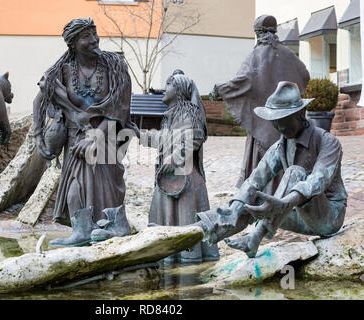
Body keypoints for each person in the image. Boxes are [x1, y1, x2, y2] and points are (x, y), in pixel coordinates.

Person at [193, 81, 347, 258]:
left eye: (284, 121)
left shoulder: (328, 142)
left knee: (294, 173)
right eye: (275, 122)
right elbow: (254, 180)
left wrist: (287, 201)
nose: (280, 128)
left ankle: (255, 238)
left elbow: (318, 180)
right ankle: (194, 233)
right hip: (296, 216)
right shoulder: (280, 146)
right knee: (253, 203)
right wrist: (235, 207)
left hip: (328, 219)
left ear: (300, 115)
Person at [33, 18, 139, 247]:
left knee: (109, 184)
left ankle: (114, 226)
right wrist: (38, 134)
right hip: (75, 137)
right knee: (74, 185)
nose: (94, 40)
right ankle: (82, 230)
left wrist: (96, 137)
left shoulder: (114, 65)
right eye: (86, 36)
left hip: (108, 135)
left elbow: (120, 106)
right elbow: (40, 98)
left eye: (94, 33)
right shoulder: (62, 70)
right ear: (72, 44)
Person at [212, 15, 310, 192]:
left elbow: (241, 81)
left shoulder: (256, 55)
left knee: (264, 156)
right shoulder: (287, 53)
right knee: (287, 151)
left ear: (258, 33)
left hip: (264, 121)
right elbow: (305, 75)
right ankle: (286, 190)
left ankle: (262, 192)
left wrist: (219, 89)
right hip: (288, 121)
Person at [142, 73, 219, 262]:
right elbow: (165, 140)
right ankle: (169, 256)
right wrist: (141, 135)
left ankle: (188, 260)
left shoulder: (187, 112)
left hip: (185, 178)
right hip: (171, 176)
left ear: (178, 91)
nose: (164, 88)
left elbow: (195, 137)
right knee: (164, 216)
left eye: (168, 84)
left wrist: (174, 157)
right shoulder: (172, 114)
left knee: (185, 221)